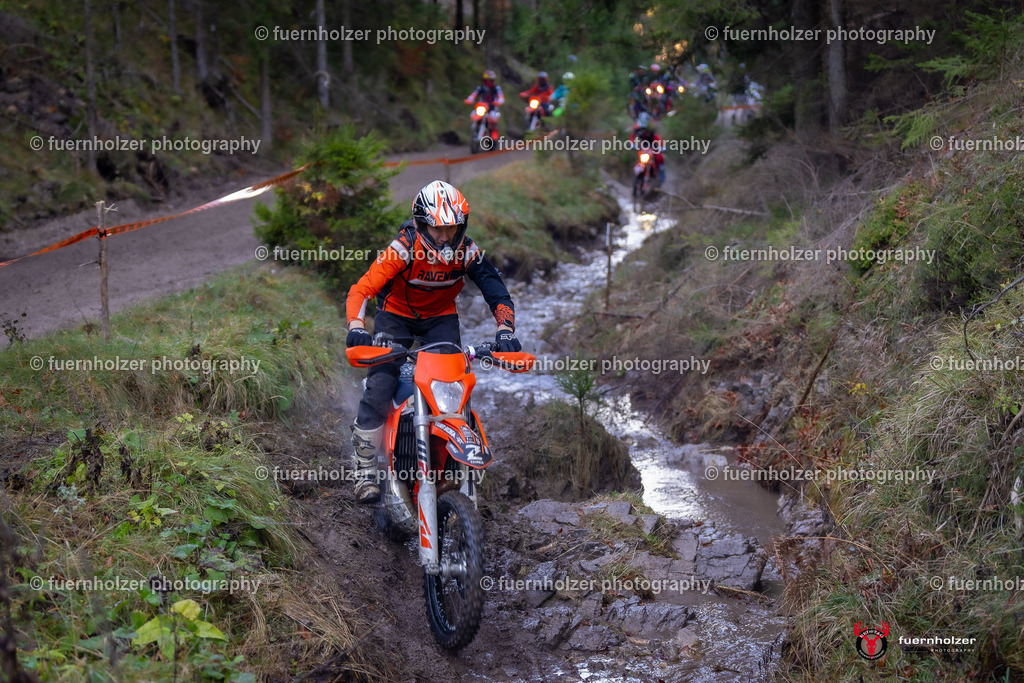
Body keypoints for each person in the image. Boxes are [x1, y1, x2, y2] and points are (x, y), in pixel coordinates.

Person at [345, 180, 522, 504]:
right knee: (381, 382)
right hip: (395, 315)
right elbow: (362, 288)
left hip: (440, 319)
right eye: (437, 229)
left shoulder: (467, 251)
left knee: (453, 387)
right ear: (422, 223)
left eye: (451, 228)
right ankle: (365, 469)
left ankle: (447, 462)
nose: (444, 236)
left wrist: (505, 330)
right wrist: (357, 326)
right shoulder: (403, 248)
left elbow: (495, 289)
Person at [630, 113, 665, 183]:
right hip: (644, 146)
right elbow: (632, 136)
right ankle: (637, 174)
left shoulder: (650, 128)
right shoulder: (637, 128)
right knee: (639, 158)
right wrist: (632, 144)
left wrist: (662, 147)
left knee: (659, 157)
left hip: (653, 145)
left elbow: (657, 137)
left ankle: (661, 172)